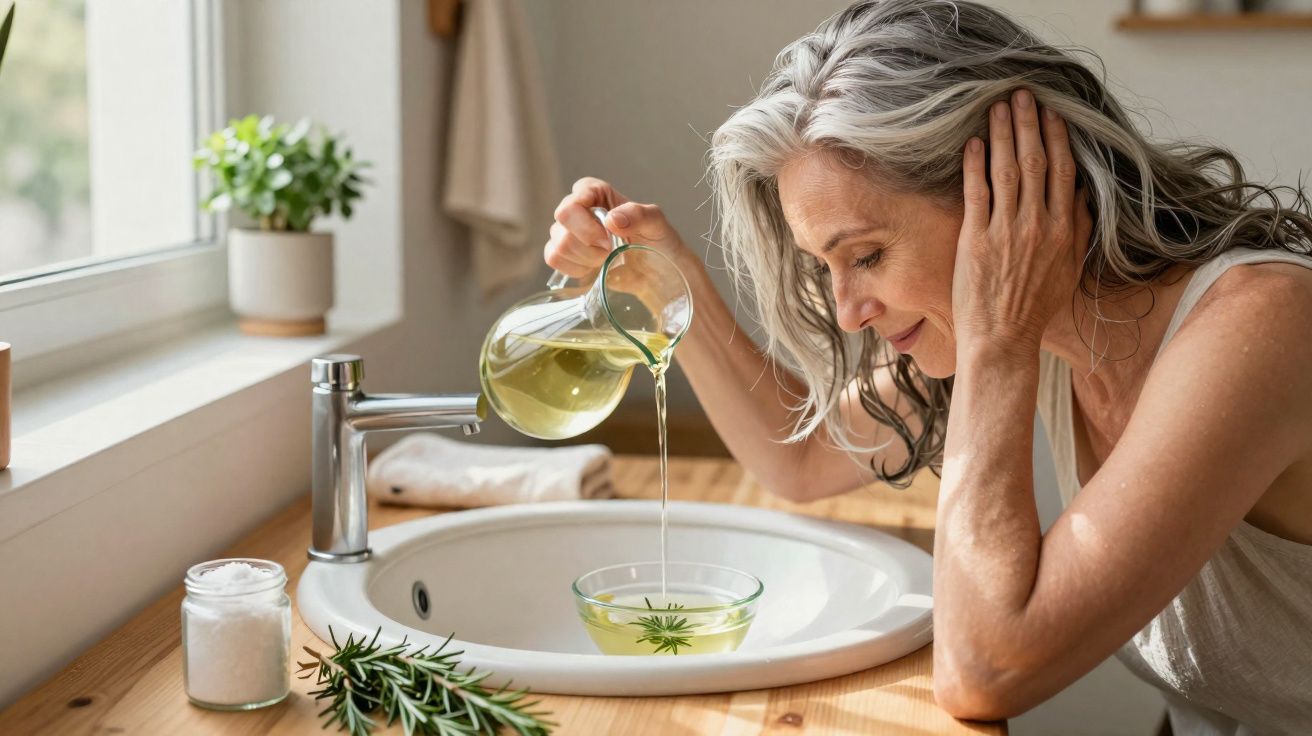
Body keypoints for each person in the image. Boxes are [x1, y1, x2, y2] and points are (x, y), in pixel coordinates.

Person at [543, 1, 1312, 732]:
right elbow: (801, 455)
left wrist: (997, 337)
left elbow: (984, 672)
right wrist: (665, 280)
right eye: (827, 266)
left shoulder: (1256, 326)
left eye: (867, 256)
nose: (848, 310)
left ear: (1005, 192)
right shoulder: (1051, 335)